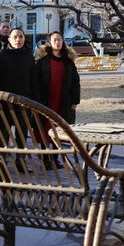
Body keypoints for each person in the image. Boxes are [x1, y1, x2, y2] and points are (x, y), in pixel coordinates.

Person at [35, 32, 80, 169]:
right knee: (45, 128)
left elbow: (75, 82)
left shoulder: (68, 62)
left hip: (63, 100)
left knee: (59, 129)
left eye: (60, 39)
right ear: (49, 43)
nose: (57, 42)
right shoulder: (42, 62)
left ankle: (55, 158)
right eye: (54, 40)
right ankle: (45, 159)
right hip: (46, 100)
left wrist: (75, 100)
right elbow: (36, 83)